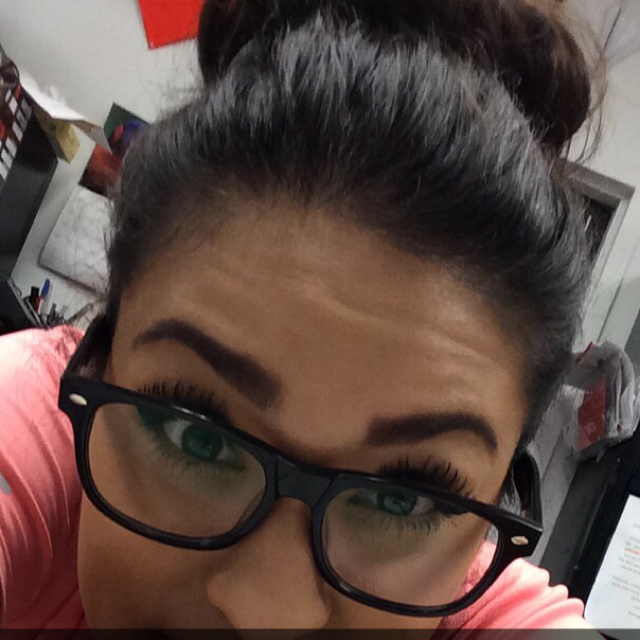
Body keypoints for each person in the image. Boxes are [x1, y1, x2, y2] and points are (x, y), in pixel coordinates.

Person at [0, 0, 603, 631]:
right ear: (96, 365)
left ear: (488, 517)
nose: (268, 613)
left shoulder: (477, 598)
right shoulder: (36, 435)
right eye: (196, 433)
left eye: (401, 499)